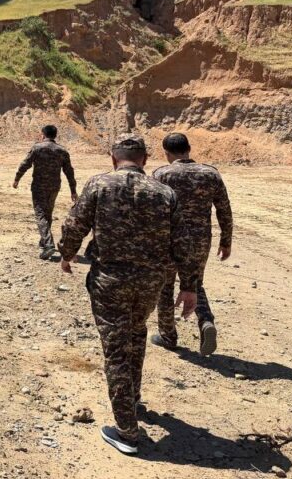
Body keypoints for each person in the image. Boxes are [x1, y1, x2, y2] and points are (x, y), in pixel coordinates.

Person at [58, 133, 186, 455]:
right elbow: (181, 243)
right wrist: (189, 285)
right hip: (150, 282)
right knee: (136, 333)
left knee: (116, 348)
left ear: (114, 159)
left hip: (110, 280)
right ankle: (133, 399)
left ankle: (127, 432)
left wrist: (67, 254)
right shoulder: (164, 192)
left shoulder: (99, 184)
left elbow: (75, 224)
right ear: (145, 159)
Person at [151, 132, 233, 357]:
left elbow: (152, 209)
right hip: (199, 240)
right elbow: (224, 209)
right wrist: (226, 241)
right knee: (195, 284)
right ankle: (205, 321)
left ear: (166, 153)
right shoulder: (210, 173)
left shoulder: (161, 174)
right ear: (189, 149)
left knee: (165, 287)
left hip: (168, 240)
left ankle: (168, 336)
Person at [12, 125, 77, 261]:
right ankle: (44, 242)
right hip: (54, 187)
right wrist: (73, 190)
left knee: (40, 215)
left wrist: (17, 178)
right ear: (55, 135)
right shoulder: (62, 151)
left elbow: (25, 164)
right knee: (47, 214)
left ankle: (48, 244)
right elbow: (69, 171)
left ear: (43, 134)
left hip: (39, 187)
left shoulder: (37, 148)